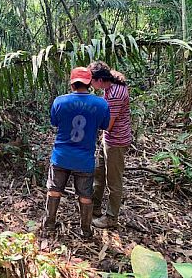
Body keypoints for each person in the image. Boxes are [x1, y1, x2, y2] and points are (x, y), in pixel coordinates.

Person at [43, 67, 110, 238]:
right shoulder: (101, 104)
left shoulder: (60, 101)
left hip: (61, 156)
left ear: (72, 83)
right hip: (85, 159)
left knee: (54, 190)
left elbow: (55, 122)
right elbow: (104, 125)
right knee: (85, 195)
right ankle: (86, 231)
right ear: (89, 83)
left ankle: (49, 224)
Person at [88, 61, 131, 228]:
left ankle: (112, 217)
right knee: (99, 174)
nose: (90, 85)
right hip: (108, 139)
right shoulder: (110, 85)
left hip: (116, 141)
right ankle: (95, 209)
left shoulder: (114, 94)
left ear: (99, 80)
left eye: (91, 81)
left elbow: (107, 125)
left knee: (113, 181)